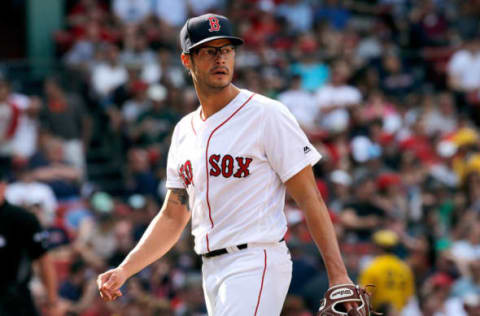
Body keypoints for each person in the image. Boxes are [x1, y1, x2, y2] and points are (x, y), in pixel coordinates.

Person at [97, 13, 354, 315]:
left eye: (227, 49)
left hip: (256, 259)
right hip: (211, 268)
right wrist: (126, 269)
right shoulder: (183, 131)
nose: (221, 58)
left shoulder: (266, 114)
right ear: (187, 60)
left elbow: (311, 197)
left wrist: (338, 274)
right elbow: (173, 215)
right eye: (209, 51)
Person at [0, 169, 61, 315]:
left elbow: (44, 261)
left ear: (3, 186)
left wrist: (52, 302)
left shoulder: (22, 219)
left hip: (15, 298)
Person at [358, 230, 415, 312]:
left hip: (378, 312)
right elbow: (408, 297)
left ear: (378, 248)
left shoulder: (372, 267)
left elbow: (364, 295)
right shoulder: (404, 268)